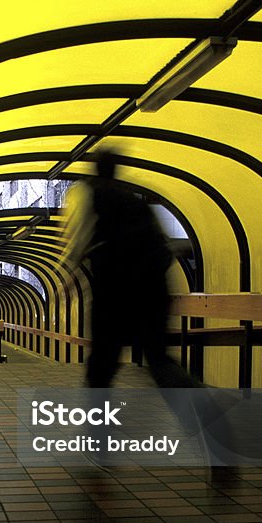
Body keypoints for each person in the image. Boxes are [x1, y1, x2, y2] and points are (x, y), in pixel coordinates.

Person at [60, 149, 195, 390]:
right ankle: (205, 410)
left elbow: (78, 238)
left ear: (95, 168)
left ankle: (96, 426)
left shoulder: (87, 193)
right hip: (154, 290)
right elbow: (164, 244)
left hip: (113, 289)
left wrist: (69, 273)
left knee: (102, 365)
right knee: (158, 359)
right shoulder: (136, 200)